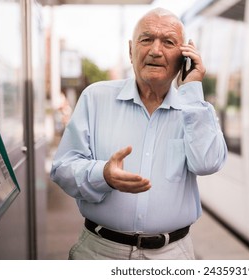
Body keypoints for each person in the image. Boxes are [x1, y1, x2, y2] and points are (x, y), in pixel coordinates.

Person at [50, 7, 227, 260]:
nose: (155, 50)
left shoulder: (195, 110)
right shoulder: (95, 97)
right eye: (146, 39)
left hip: (173, 256)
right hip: (99, 251)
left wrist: (193, 88)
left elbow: (208, 163)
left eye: (168, 42)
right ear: (130, 50)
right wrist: (103, 175)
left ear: (184, 56)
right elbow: (62, 169)